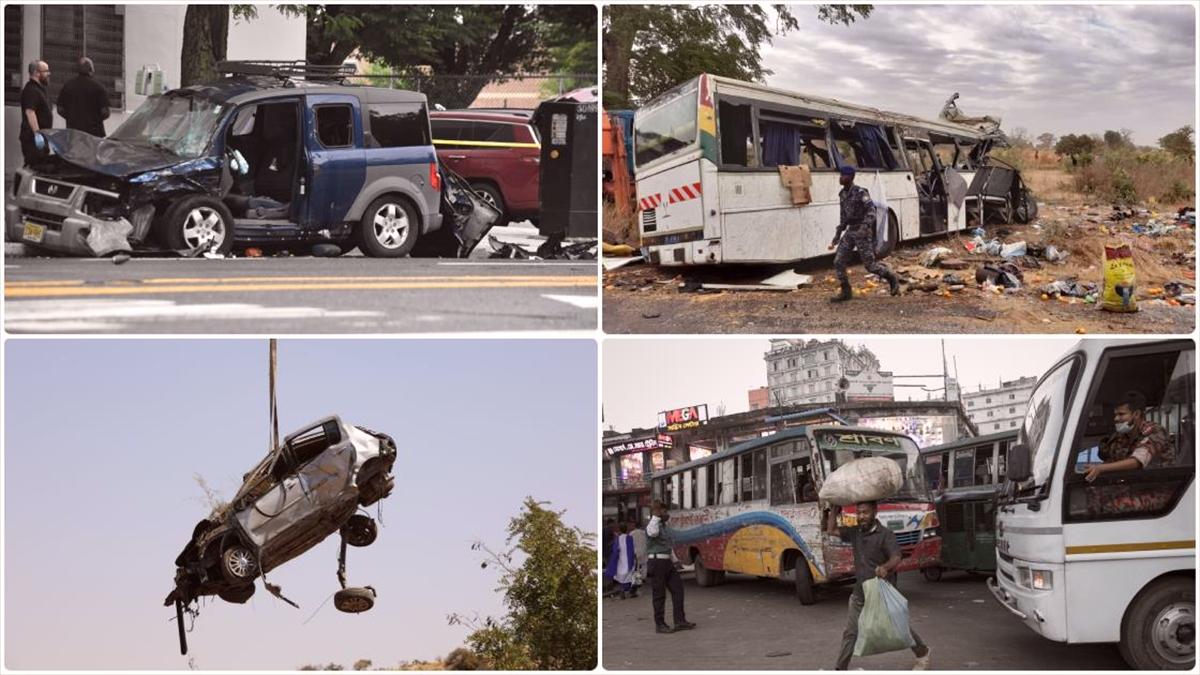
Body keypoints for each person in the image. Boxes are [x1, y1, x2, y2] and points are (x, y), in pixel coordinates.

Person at [825, 500, 931, 670]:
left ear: (875, 512)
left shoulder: (885, 534)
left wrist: (885, 567)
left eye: (865, 512)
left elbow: (896, 556)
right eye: (859, 513)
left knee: (899, 625)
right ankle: (840, 668)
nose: (861, 516)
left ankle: (923, 652)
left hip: (880, 591)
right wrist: (835, 508)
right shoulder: (855, 532)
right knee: (851, 632)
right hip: (860, 592)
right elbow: (831, 530)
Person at [828, 165, 900, 303]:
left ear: (851, 177)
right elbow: (843, 216)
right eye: (841, 175)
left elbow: (871, 211)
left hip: (863, 231)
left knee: (870, 266)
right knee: (838, 262)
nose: (840, 178)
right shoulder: (842, 194)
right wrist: (837, 235)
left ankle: (891, 277)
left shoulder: (861, 192)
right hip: (851, 231)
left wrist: (865, 226)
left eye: (843, 175)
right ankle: (846, 291)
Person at [1086, 391, 1174, 482]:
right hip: (1131, 484)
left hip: (1158, 486)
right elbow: (1110, 459)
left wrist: (1101, 468)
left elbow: (1137, 461)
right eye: (1115, 415)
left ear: (1136, 414)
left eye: (1121, 414)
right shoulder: (1120, 436)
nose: (1116, 419)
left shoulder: (1154, 431)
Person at [645, 500, 695, 634]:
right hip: (657, 563)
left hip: (667, 563)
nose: (666, 514)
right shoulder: (652, 524)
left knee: (678, 589)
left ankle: (680, 621)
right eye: (664, 511)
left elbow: (668, 545)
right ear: (657, 512)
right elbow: (653, 533)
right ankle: (660, 625)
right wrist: (656, 515)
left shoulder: (664, 526)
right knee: (659, 595)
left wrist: (675, 560)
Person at [56, 56, 110, 137]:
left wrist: (71, 118)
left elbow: (60, 109)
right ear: (91, 70)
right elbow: (105, 112)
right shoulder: (99, 87)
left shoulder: (68, 86)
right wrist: (94, 121)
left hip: (73, 132)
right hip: (93, 133)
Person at [19, 60, 52, 167]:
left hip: (40, 136)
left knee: (40, 164)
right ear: (37, 73)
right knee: (35, 166)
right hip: (32, 139)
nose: (49, 74)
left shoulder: (39, 89)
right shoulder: (31, 90)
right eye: (46, 71)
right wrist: (37, 134)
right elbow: (30, 112)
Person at [604, 522, 637, 599]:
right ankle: (628, 591)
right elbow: (632, 550)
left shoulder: (618, 539)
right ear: (627, 529)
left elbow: (615, 550)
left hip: (620, 560)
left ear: (619, 530)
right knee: (629, 576)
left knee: (621, 576)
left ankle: (622, 591)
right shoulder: (629, 538)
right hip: (629, 560)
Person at [629, 518, 648, 597]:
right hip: (644, 551)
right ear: (640, 526)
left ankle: (636, 581)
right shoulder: (644, 533)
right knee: (644, 565)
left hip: (635, 552)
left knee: (636, 568)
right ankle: (643, 577)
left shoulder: (631, 533)